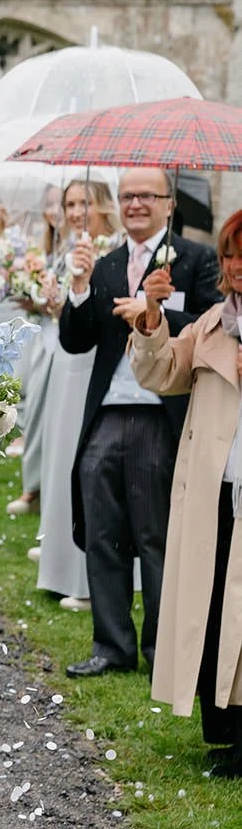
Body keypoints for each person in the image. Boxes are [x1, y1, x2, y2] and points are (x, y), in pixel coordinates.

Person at [58, 168, 220, 677]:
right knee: (102, 528)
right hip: (106, 414)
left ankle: (160, 649)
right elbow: (76, 339)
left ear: (170, 204)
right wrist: (80, 288)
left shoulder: (196, 259)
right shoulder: (104, 264)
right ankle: (111, 645)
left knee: (155, 535)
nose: (134, 204)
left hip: (161, 415)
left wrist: (155, 310)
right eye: (127, 196)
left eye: (146, 196)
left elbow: (212, 323)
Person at [130, 210, 242, 773]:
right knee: (217, 603)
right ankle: (227, 728)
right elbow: (159, 373)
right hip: (214, 492)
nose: (237, 265)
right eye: (229, 254)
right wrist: (153, 312)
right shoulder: (211, 326)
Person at [36, 175, 121, 607]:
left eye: (82, 203)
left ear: (103, 204)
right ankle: (58, 558)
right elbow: (70, 315)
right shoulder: (71, 251)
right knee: (59, 459)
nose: (73, 212)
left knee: (85, 461)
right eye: (69, 204)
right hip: (66, 364)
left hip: (96, 368)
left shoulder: (115, 252)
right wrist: (57, 300)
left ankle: (86, 578)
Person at [6, 182, 61, 517]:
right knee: (37, 409)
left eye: (64, 205)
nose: (57, 212)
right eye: (53, 204)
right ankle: (33, 487)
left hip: (61, 339)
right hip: (45, 336)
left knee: (49, 415)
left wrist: (44, 304)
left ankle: (42, 490)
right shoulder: (47, 248)